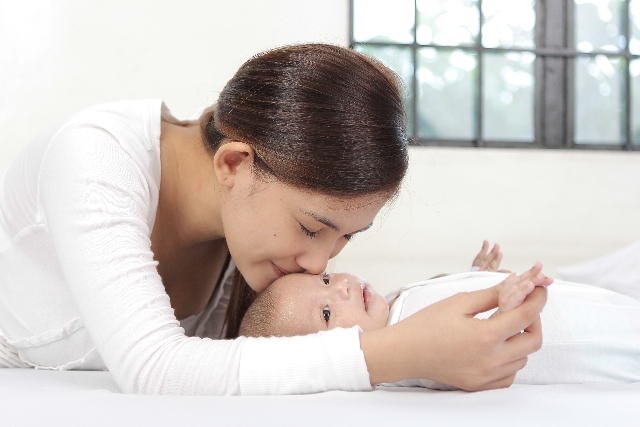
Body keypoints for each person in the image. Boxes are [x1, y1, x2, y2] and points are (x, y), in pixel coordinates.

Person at [0, 44, 547, 395]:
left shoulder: (250, 246)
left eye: (343, 239)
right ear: (234, 163)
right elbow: (155, 369)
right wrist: (401, 353)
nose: (317, 263)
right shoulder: (94, 157)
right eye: (313, 228)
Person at [238, 263, 640, 388]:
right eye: (326, 313)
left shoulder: (390, 309)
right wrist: (503, 304)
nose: (342, 287)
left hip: (590, 306)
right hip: (588, 342)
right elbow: (471, 347)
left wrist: (470, 273)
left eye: (325, 280)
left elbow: (434, 296)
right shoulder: (404, 360)